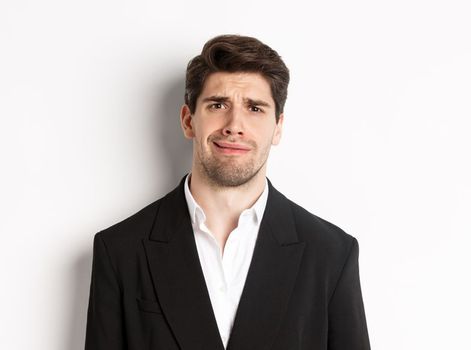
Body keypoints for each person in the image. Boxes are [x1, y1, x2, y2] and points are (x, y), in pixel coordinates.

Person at [85, 34, 370, 350]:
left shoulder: (331, 254)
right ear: (188, 120)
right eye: (218, 104)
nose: (235, 125)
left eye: (255, 108)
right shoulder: (120, 251)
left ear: (278, 127)